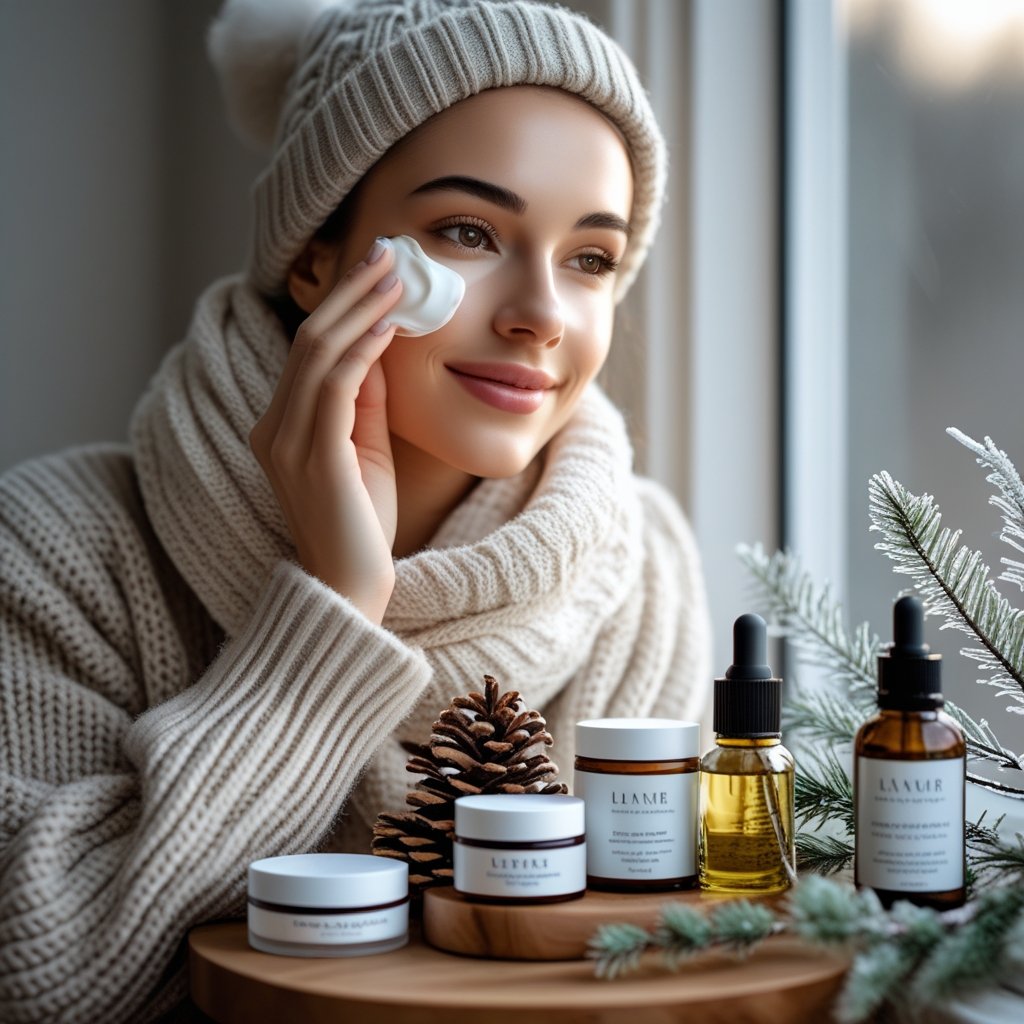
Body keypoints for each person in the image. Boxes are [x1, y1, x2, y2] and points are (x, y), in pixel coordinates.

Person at [0, 0, 711, 1020]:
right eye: (467, 232)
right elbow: (43, 980)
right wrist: (336, 606)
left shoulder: (642, 567)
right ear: (315, 258)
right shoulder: (56, 548)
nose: (540, 314)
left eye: (589, 257)